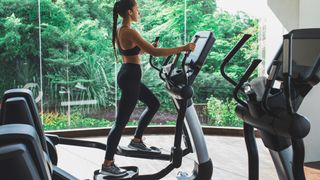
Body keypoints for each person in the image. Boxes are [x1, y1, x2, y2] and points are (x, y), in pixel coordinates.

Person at [101, 0, 196, 177]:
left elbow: (135, 52)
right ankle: (108, 163)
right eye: (137, 9)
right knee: (120, 123)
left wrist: (148, 47)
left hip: (128, 74)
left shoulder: (120, 30)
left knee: (153, 103)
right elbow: (155, 53)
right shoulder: (130, 31)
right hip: (130, 76)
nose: (139, 12)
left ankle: (137, 140)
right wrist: (183, 48)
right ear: (129, 12)